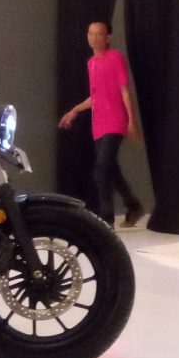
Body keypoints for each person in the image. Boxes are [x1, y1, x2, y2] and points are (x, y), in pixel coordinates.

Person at [58, 21, 144, 228]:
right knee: (110, 168)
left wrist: (131, 119)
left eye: (99, 34)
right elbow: (95, 97)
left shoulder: (115, 58)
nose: (94, 38)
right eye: (91, 34)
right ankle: (133, 206)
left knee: (101, 169)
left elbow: (124, 90)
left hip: (115, 120)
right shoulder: (91, 63)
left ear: (108, 38)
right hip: (99, 123)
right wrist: (74, 111)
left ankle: (107, 218)